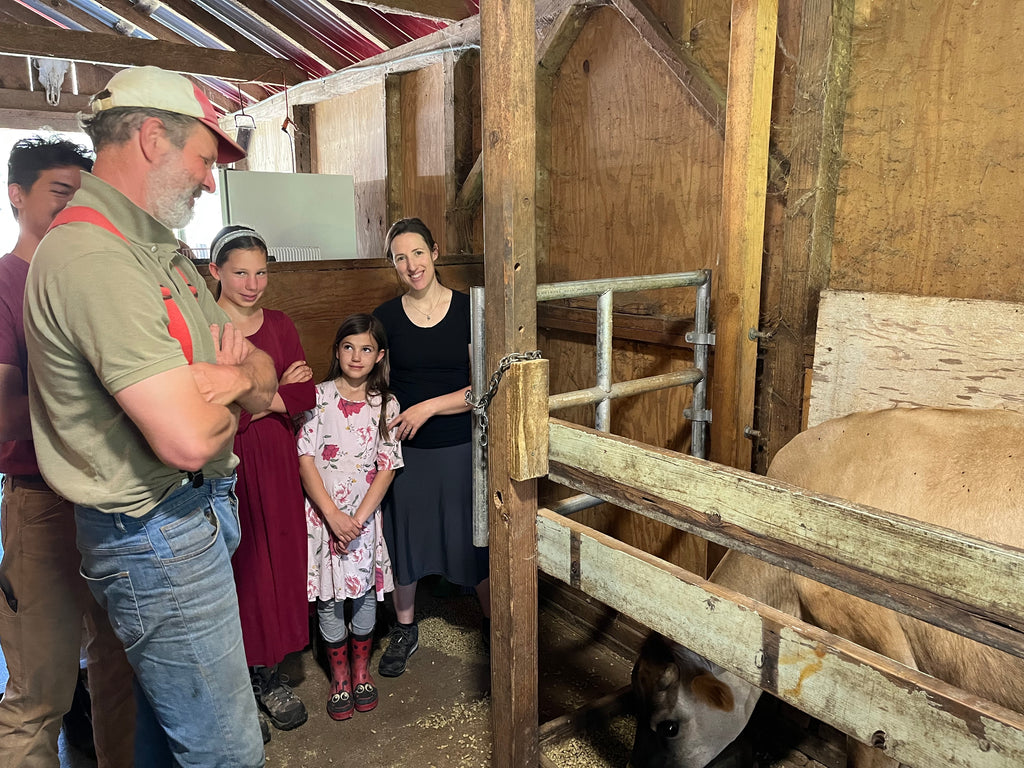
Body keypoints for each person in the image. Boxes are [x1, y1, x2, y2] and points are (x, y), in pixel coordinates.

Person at [23, 66, 277, 767]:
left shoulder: (157, 248)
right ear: (152, 137)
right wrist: (228, 398)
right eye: (202, 158)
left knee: (165, 738)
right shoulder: (92, 255)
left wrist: (221, 383)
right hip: (155, 534)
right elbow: (191, 437)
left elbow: (259, 375)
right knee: (228, 755)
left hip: (188, 517)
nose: (205, 179)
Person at [0, 136, 135, 768]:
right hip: (42, 503)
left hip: (110, 499)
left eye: (82, 194)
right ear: (17, 195)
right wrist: (103, 404)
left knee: (117, 669)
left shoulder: (90, 277)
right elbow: (3, 409)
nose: (72, 205)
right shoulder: (6, 282)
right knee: (38, 693)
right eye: (60, 191)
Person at [208, 225, 314, 737]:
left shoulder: (281, 324)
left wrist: (249, 396)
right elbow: (208, 403)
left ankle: (270, 673)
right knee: (240, 566)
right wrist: (266, 397)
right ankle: (240, 686)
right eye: (240, 272)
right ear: (216, 273)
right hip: (227, 457)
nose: (252, 283)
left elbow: (306, 396)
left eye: (261, 272)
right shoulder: (205, 327)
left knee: (281, 557)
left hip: (277, 456)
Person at [372, 218, 489, 678]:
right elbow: (380, 383)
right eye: (400, 257)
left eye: (417, 253)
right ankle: (404, 628)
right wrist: (394, 411)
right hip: (407, 450)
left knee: (471, 536)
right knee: (406, 536)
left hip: (461, 444)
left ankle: (492, 622)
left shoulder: (466, 310)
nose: (410, 265)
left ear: (435, 252)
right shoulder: (386, 316)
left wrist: (426, 408)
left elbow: (482, 386)